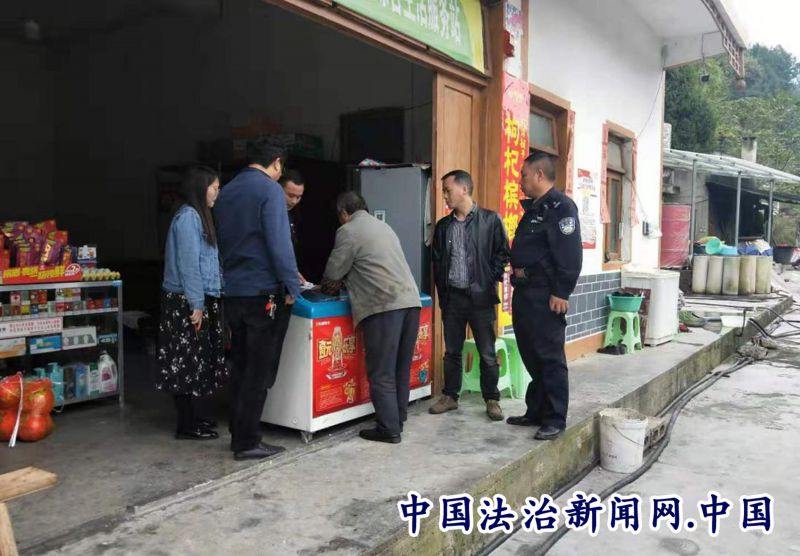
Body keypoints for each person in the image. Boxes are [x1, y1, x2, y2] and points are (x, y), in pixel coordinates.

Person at [214, 139, 301, 460]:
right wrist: (292, 286)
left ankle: (238, 432)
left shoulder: (227, 191)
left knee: (240, 365)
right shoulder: (269, 191)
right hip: (263, 293)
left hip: (233, 292)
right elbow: (280, 244)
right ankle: (248, 441)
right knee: (259, 370)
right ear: (276, 163)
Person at [322, 192, 421, 444]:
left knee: (381, 371)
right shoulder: (384, 227)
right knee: (400, 367)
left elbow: (333, 274)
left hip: (384, 305)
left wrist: (326, 287)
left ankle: (389, 429)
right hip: (411, 303)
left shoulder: (348, 230)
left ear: (344, 213)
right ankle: (397, 418)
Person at [506, 152, 582, 441]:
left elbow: (569, 253)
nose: (520, 181)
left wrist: (561, 291)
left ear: (539, 175)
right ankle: (536, 410)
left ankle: (554, 418)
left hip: (545, 293)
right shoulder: (535, 208)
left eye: (524, 175)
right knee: (530, 352)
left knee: (549, 357)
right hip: (525, 291)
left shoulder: (561, 207)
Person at [429, 170, 510, 421]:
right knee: (452, 351)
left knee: (487, 352)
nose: (444, 195)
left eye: (447, 190)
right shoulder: (444, 226)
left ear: (464, 189)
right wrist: (443, 293)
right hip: (453, 298)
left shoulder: (490, 220)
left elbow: (503, 253)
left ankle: (492, 399)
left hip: (481, 298)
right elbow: (437, 261)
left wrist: (488, 279)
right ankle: (450, 396)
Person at [157, 165, 227, 441]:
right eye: (215, 188)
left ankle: (192, 418)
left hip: (196, 298)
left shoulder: (198, 216)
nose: (217, 193)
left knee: (196, 361)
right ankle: (185, 425)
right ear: (201, 188)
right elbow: (189, 265)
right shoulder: (188, 217)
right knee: (185, 362)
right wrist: (196, 304)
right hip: (185, 301)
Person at [278, 169, 308, 283]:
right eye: (290, 195)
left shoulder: (290, 215)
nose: (294, 201)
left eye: (298, 197)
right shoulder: (270, 215)